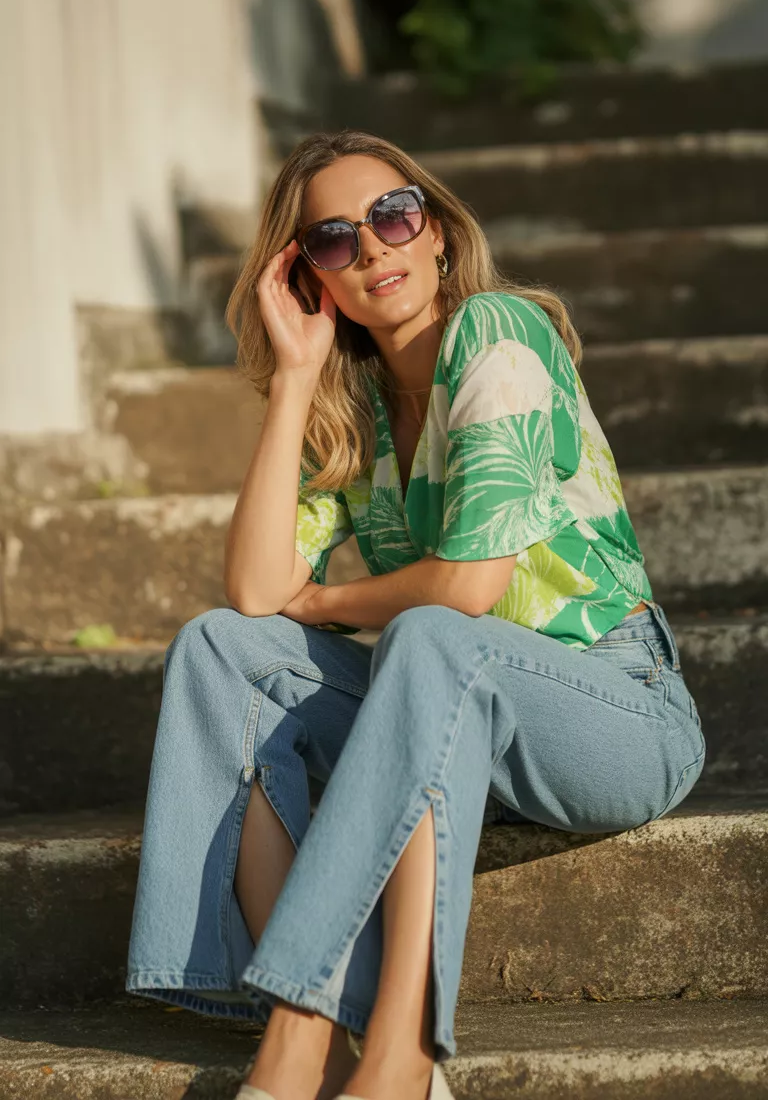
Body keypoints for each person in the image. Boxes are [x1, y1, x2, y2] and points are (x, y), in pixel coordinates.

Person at [126, 129, 707, 1100]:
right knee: (219, 651)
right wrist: (300, 376)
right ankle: (315, 1027)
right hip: (445, 709)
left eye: (395, 216)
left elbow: (466, 588)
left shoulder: (500, 334)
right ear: (309, 274)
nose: (376, 248)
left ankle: (384, 1053)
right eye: (334, 240)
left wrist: (324, 601)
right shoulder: (347, 401)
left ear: (435, 231)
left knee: (435, 634)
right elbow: (254, 592)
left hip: (614, 706)